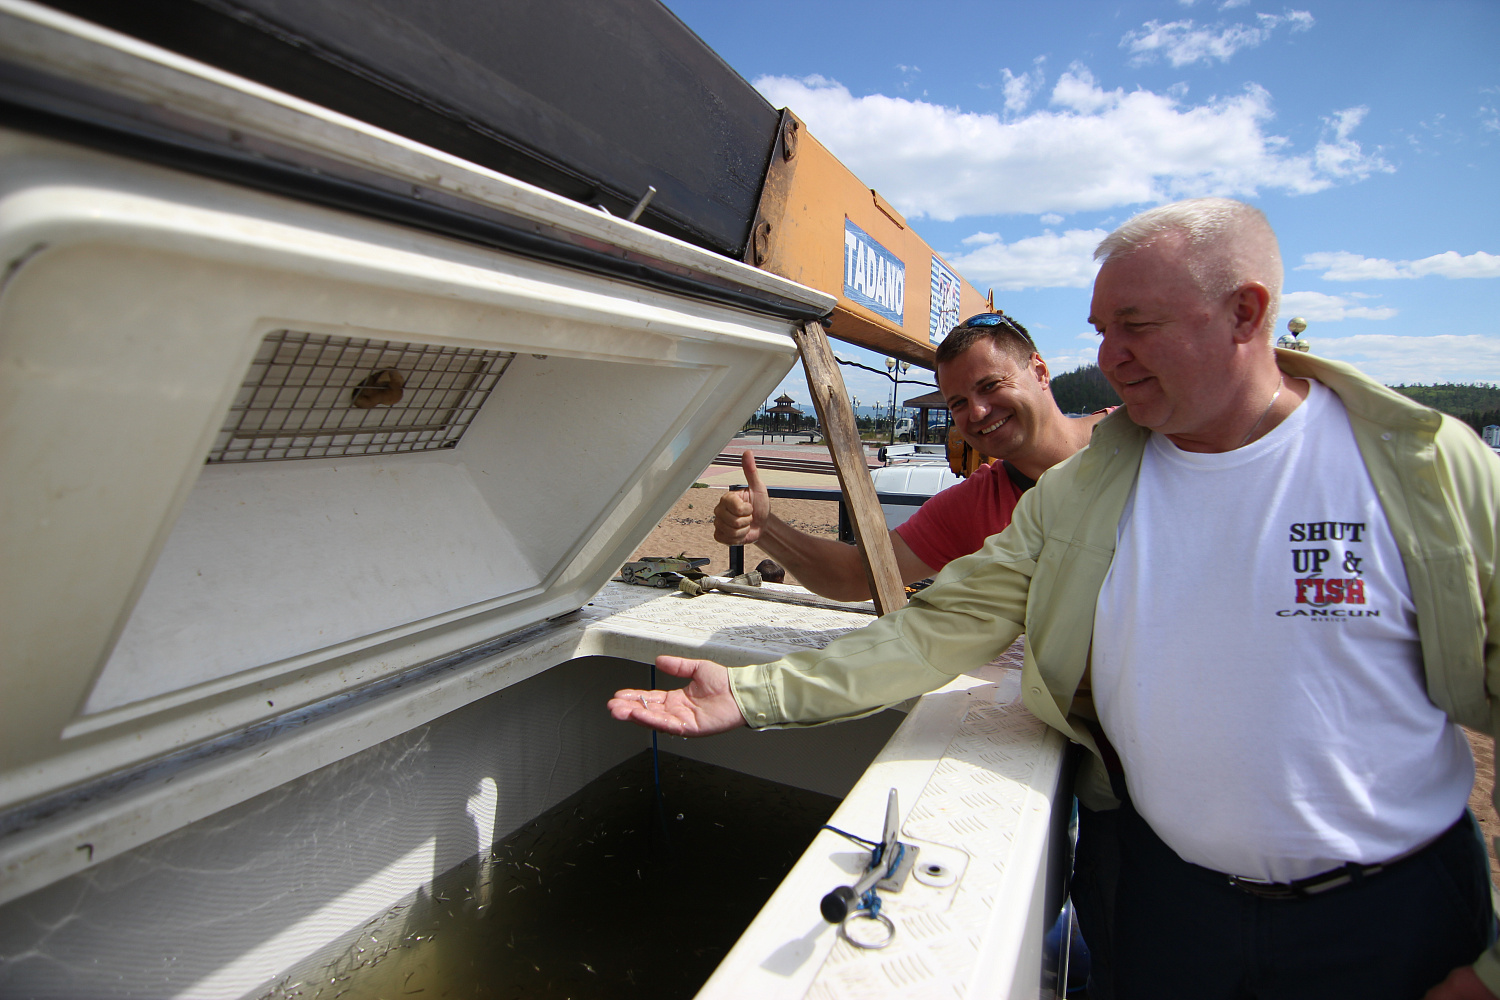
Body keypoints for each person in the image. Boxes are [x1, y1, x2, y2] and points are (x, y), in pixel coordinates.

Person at [610, 197, 1500, 1000]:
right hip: (1165, 907)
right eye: (1101, 329)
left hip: (1393, 919)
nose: (1109, 357)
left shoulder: (1421, 469)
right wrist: (754, 693)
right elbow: (934, 629)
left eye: (1135, 326)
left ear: (1247, 312)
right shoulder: (1083, 496)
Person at [713, 315, 1107, 601]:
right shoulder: (974, 506)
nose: (979, 412)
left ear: (1039, 371)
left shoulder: (1141, 439)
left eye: (991, 385)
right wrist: (765, 529)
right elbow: (857, 575)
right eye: (959, 403)